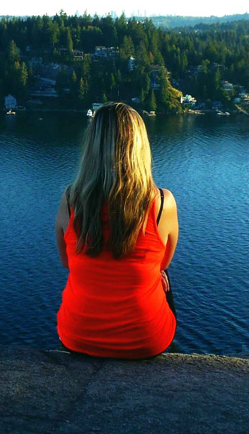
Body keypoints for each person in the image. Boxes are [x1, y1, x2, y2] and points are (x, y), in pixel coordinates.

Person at [55, 102, 179, 359]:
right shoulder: (162, 203)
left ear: (92, 147)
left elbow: (67, 262)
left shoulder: (70, 200)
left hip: (77, 337)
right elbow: (163, 263)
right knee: (165, 279)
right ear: (140, 147)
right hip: (146, 342)